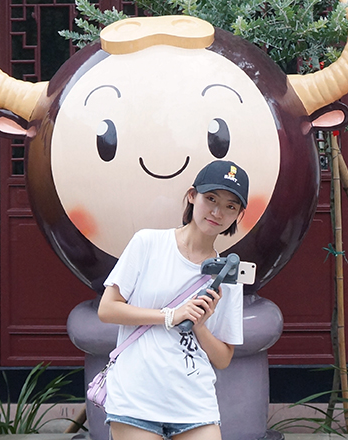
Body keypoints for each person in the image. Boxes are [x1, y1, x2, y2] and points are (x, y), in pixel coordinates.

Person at [97, 160, 248, 440]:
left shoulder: (228, 275)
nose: (217, 212)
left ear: (238, 215)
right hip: (135, 398)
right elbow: (107, 309)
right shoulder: (148, 243)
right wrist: (171, 315)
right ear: (192, 196)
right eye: (211, 198)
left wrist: (199, 325)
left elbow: (223, 358)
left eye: (230, 206)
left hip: (195, 403)